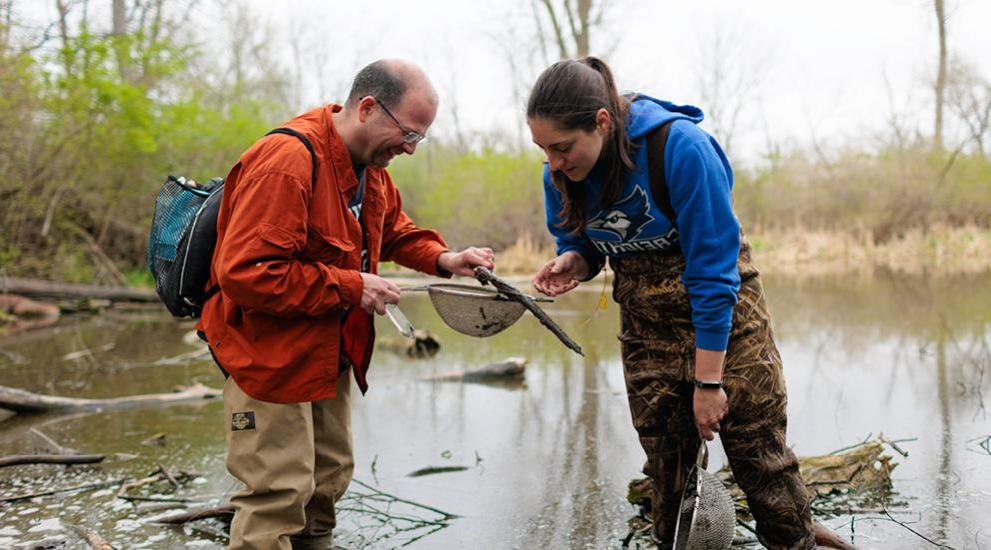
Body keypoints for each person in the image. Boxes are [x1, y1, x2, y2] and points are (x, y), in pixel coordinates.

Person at [526, 56, 824, 549]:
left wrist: (709, 380)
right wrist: (574, 262)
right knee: (669, 476)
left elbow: (712, 272)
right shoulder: (558, 174)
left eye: (562, 147)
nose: (554, 162)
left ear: (602, 122)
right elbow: (586, 243)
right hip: (647, 328)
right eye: (543, 149)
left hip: (727, 321)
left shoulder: (680, 148)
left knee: (762, 465)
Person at [196, 59, 494, 550]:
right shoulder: (286, 162)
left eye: (420, 138)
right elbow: (246, 273)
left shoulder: (371, 169)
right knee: (277, 494)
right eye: (408, 133)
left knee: (327, 480)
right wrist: (353, 287)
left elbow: (394, 229)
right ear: (368, 108)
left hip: (327, 353)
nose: (410, 148)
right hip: (267, 359)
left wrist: (445, 258)